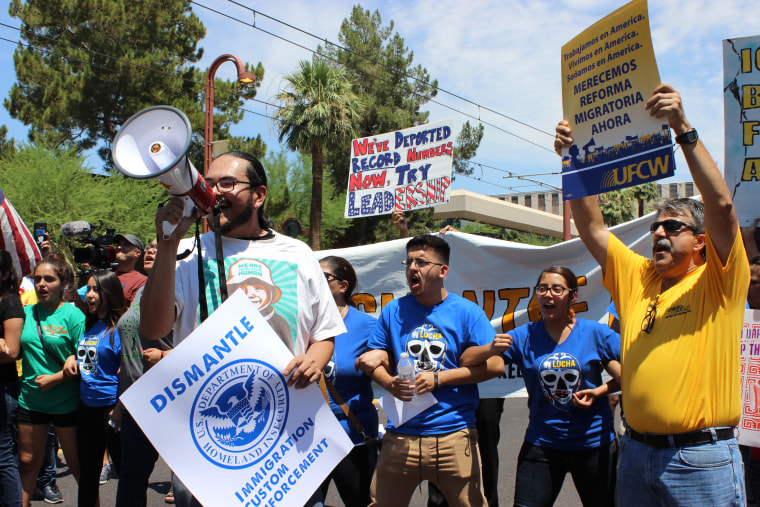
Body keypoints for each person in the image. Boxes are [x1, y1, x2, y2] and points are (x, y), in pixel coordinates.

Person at [555, 83, 749, 505]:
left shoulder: (719, 278)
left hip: (700, 460)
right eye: (655, 228)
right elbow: (593, 228)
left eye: (673, 227)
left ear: (700, 242)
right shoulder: (638, 277)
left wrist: (681, 126)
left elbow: (721, 208)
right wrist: (571, 161)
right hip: (636, 453)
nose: (659, 233)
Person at [140, 151, 345, 507]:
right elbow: (153, 327)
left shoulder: (297, 254)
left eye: (228, 183)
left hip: (287, 442)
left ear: (258, 194)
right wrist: (169, 243)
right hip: (210, 445)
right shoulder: (189, 254)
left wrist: (314, 360)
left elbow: (323, 334)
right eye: (209, 183)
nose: (215, 191)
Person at [356, 234, 503, 506]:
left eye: (422, 262)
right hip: (400, 436)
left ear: (443, 270)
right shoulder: (392, 311)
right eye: (409, 261)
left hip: (454, 436)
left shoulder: (467, 312)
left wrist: (440, 378)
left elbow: (495, 364)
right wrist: (388, 383)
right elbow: (373, 360)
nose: (413, 267)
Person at [461, 266, 621, 506]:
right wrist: (491, 348)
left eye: (557, 289)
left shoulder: (595, 333)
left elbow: (633, 372)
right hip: (542, 445)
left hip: (594, 445)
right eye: (542, 289)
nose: (548, 295)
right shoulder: (523, 336)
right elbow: (466, 359)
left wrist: (600, 391)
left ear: (572, 296)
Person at [17, 257, 84, 507]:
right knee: (27, 463)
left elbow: (87, 357)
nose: (42, 284)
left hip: (66, 403)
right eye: (37, 279)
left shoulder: (73, 315)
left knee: (77, 467)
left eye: (49, 279)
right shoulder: (25, 313)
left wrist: (58, 378)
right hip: (30, 401)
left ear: (63, 283)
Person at [115, 238, 174, 507]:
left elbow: (203, 343)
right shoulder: (142, 291)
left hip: (171, 400)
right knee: (131, 479)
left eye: (159, 245)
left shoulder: (179, 288)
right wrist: (120, 401)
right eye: (150, 246)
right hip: (135, 402)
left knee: (187, 486)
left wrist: (165, 355)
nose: (151, 250)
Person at [318, 256, 378, 507]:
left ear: (343, 286)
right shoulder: (300, 323)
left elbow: (388, 370)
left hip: (352, 435)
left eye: (323, 277)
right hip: (308, 437)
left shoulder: (366, 326)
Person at [75, 270, 125, 506]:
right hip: (86, 408)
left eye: (96, 289)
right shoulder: (87, 324)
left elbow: (130, 372)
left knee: (127, 476)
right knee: (87, 477)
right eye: (88, 289)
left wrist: (119, 410)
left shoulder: (122, 327)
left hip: (112, 410)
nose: (90, 295)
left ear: (111, 292)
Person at [0, 251, 24, 506]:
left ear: (5, 274)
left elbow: (12, 351)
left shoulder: (10, 303)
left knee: (3, 455)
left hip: (3, 389)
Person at [113, 234, 146, 306]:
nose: (119, 247)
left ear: (137, 253)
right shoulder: (107, 275)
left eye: (125, 245)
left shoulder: (141, 281)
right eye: (118, 245)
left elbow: (133, 314)